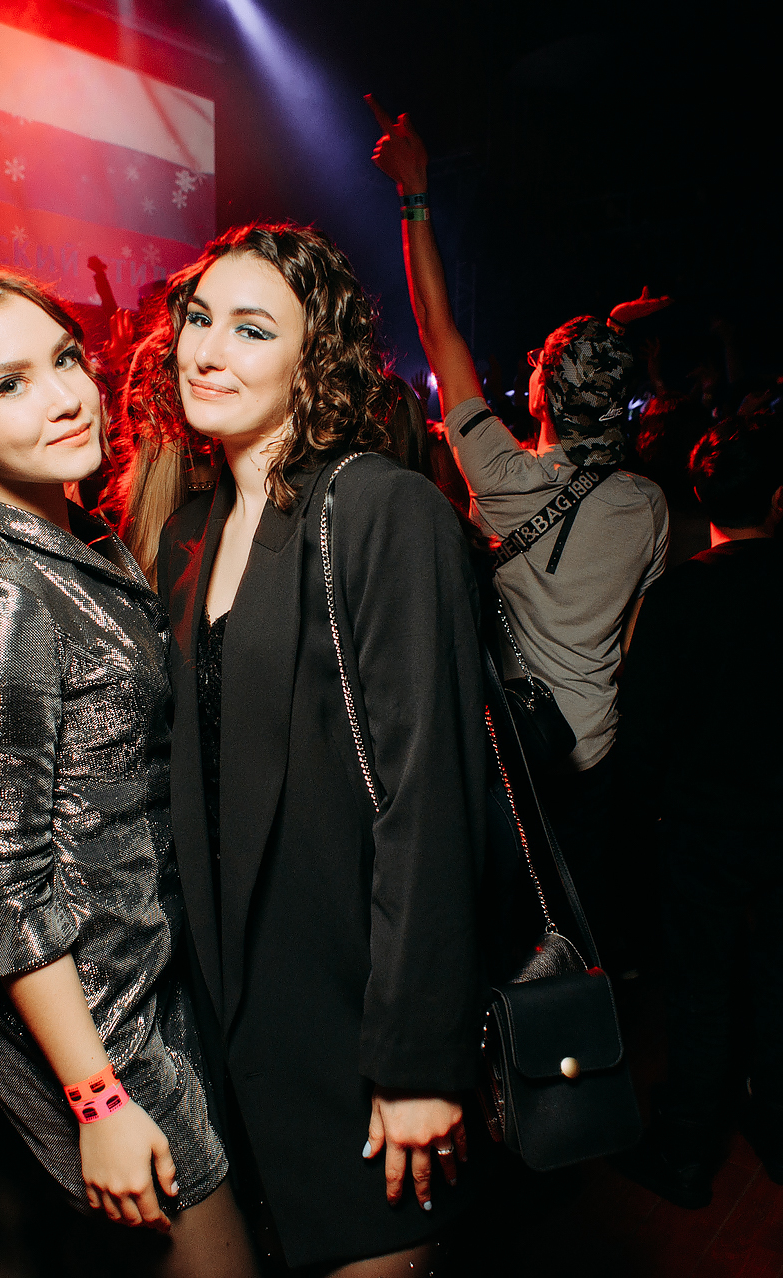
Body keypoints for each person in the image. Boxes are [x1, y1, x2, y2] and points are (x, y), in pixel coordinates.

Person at [132, 220, 490, 1275]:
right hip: (226, 1025)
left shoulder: (383, 509)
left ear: (313, 359)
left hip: (353, 1021)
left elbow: (432, 796)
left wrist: (417, 1057)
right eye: (200, 320)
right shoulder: (187, 533)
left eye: (252, 329)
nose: (208, 351)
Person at [0, 261, 256, 1275]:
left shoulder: (73, 541)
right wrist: (97, 1097)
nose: (65, 396)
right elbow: (2, 886)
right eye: (10, 384)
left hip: (144, 976)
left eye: (64, 359)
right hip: (100, 1024)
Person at [367, 98, 670, 966]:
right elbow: (634, 635)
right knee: (581, 943)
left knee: (501, 942)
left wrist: (415, 196)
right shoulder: (647, 506)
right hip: (595, 756)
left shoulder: (501, 479)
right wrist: (611, 339)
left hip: (508, 754)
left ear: (538, 392)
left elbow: (438, 331)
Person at [613, 416, 783, 1205]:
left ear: (702, 496)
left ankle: (688, 1155)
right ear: (781, 498)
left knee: (701, 988)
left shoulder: (677, 597)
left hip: (700, 828)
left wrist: (651, 813)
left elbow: (643, 727)